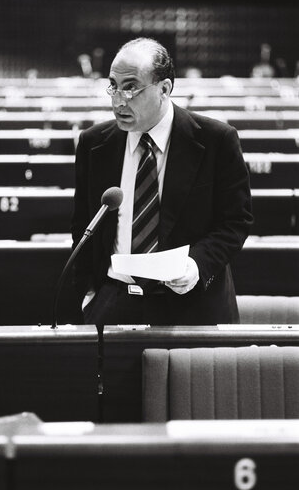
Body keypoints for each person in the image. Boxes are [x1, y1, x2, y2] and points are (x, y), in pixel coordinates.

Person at [71, 37, 253, 328]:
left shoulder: (216, 140)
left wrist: (197, 265)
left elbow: (235, 223)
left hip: (194, 307)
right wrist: (89, 294)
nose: (118, 100)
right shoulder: (94, 143)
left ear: (164, 89)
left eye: (130, 87)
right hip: (114, 304)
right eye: (113, 85)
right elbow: (83, 224)